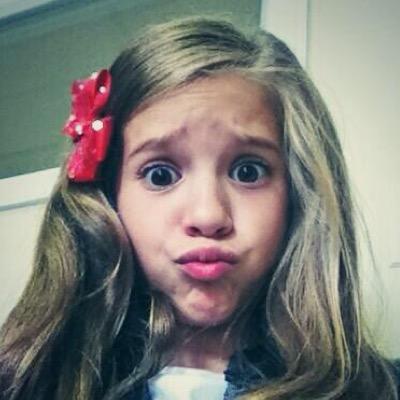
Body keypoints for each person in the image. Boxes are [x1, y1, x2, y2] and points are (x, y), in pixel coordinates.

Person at [0, 18, 398, 400]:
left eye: (248, 171)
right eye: (160, 175)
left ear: (296, 192)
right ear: (109, 196)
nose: (208, 217)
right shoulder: (27, 381)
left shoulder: (382, 389)